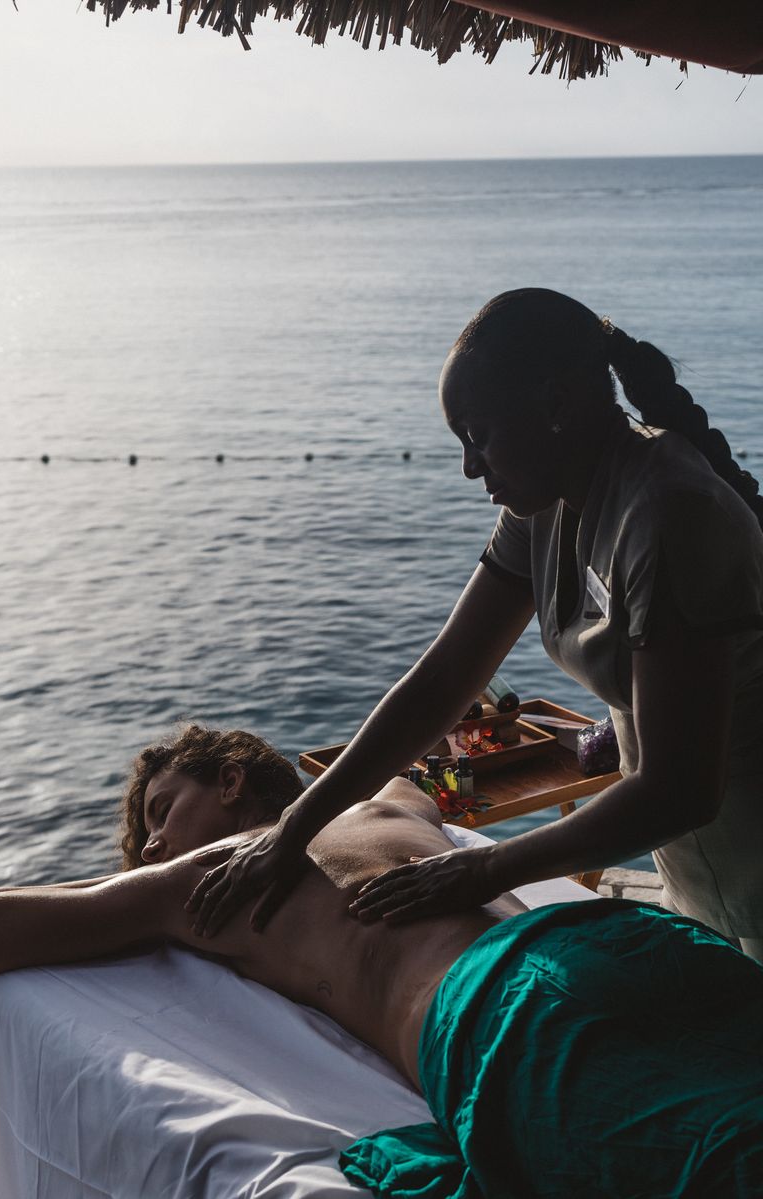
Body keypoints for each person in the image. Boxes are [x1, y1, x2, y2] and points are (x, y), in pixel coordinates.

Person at [185, 288, 763, 962]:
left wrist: (483, 870)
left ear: (553, 405)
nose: (469, 466)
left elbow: (677, 788)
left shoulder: (669, 515)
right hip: (707, 878)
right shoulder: (544, 505)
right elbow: (443, 681)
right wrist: (293, 828)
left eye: (478, 435)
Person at [0, 722, 762, 1197]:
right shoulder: (388, 805)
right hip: (623, 941)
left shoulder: (207, 879)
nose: (154, 845)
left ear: (233, 780)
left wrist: (122, 881)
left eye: (162, 813)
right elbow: (422, 774)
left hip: (508, 1012)